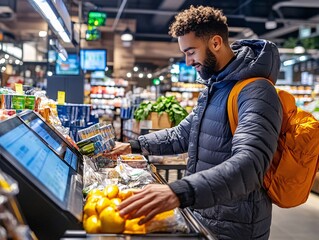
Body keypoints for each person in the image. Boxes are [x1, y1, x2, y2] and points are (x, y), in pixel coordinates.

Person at [110, 5, 283, 240]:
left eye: (191, 51)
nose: (188, 61)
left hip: (235, 227)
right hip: (203, 214)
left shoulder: (256, 91)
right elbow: (182, 135)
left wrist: (180, 191)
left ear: (215, 43)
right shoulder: (215, 87)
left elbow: (250, 164)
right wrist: (134, 145)